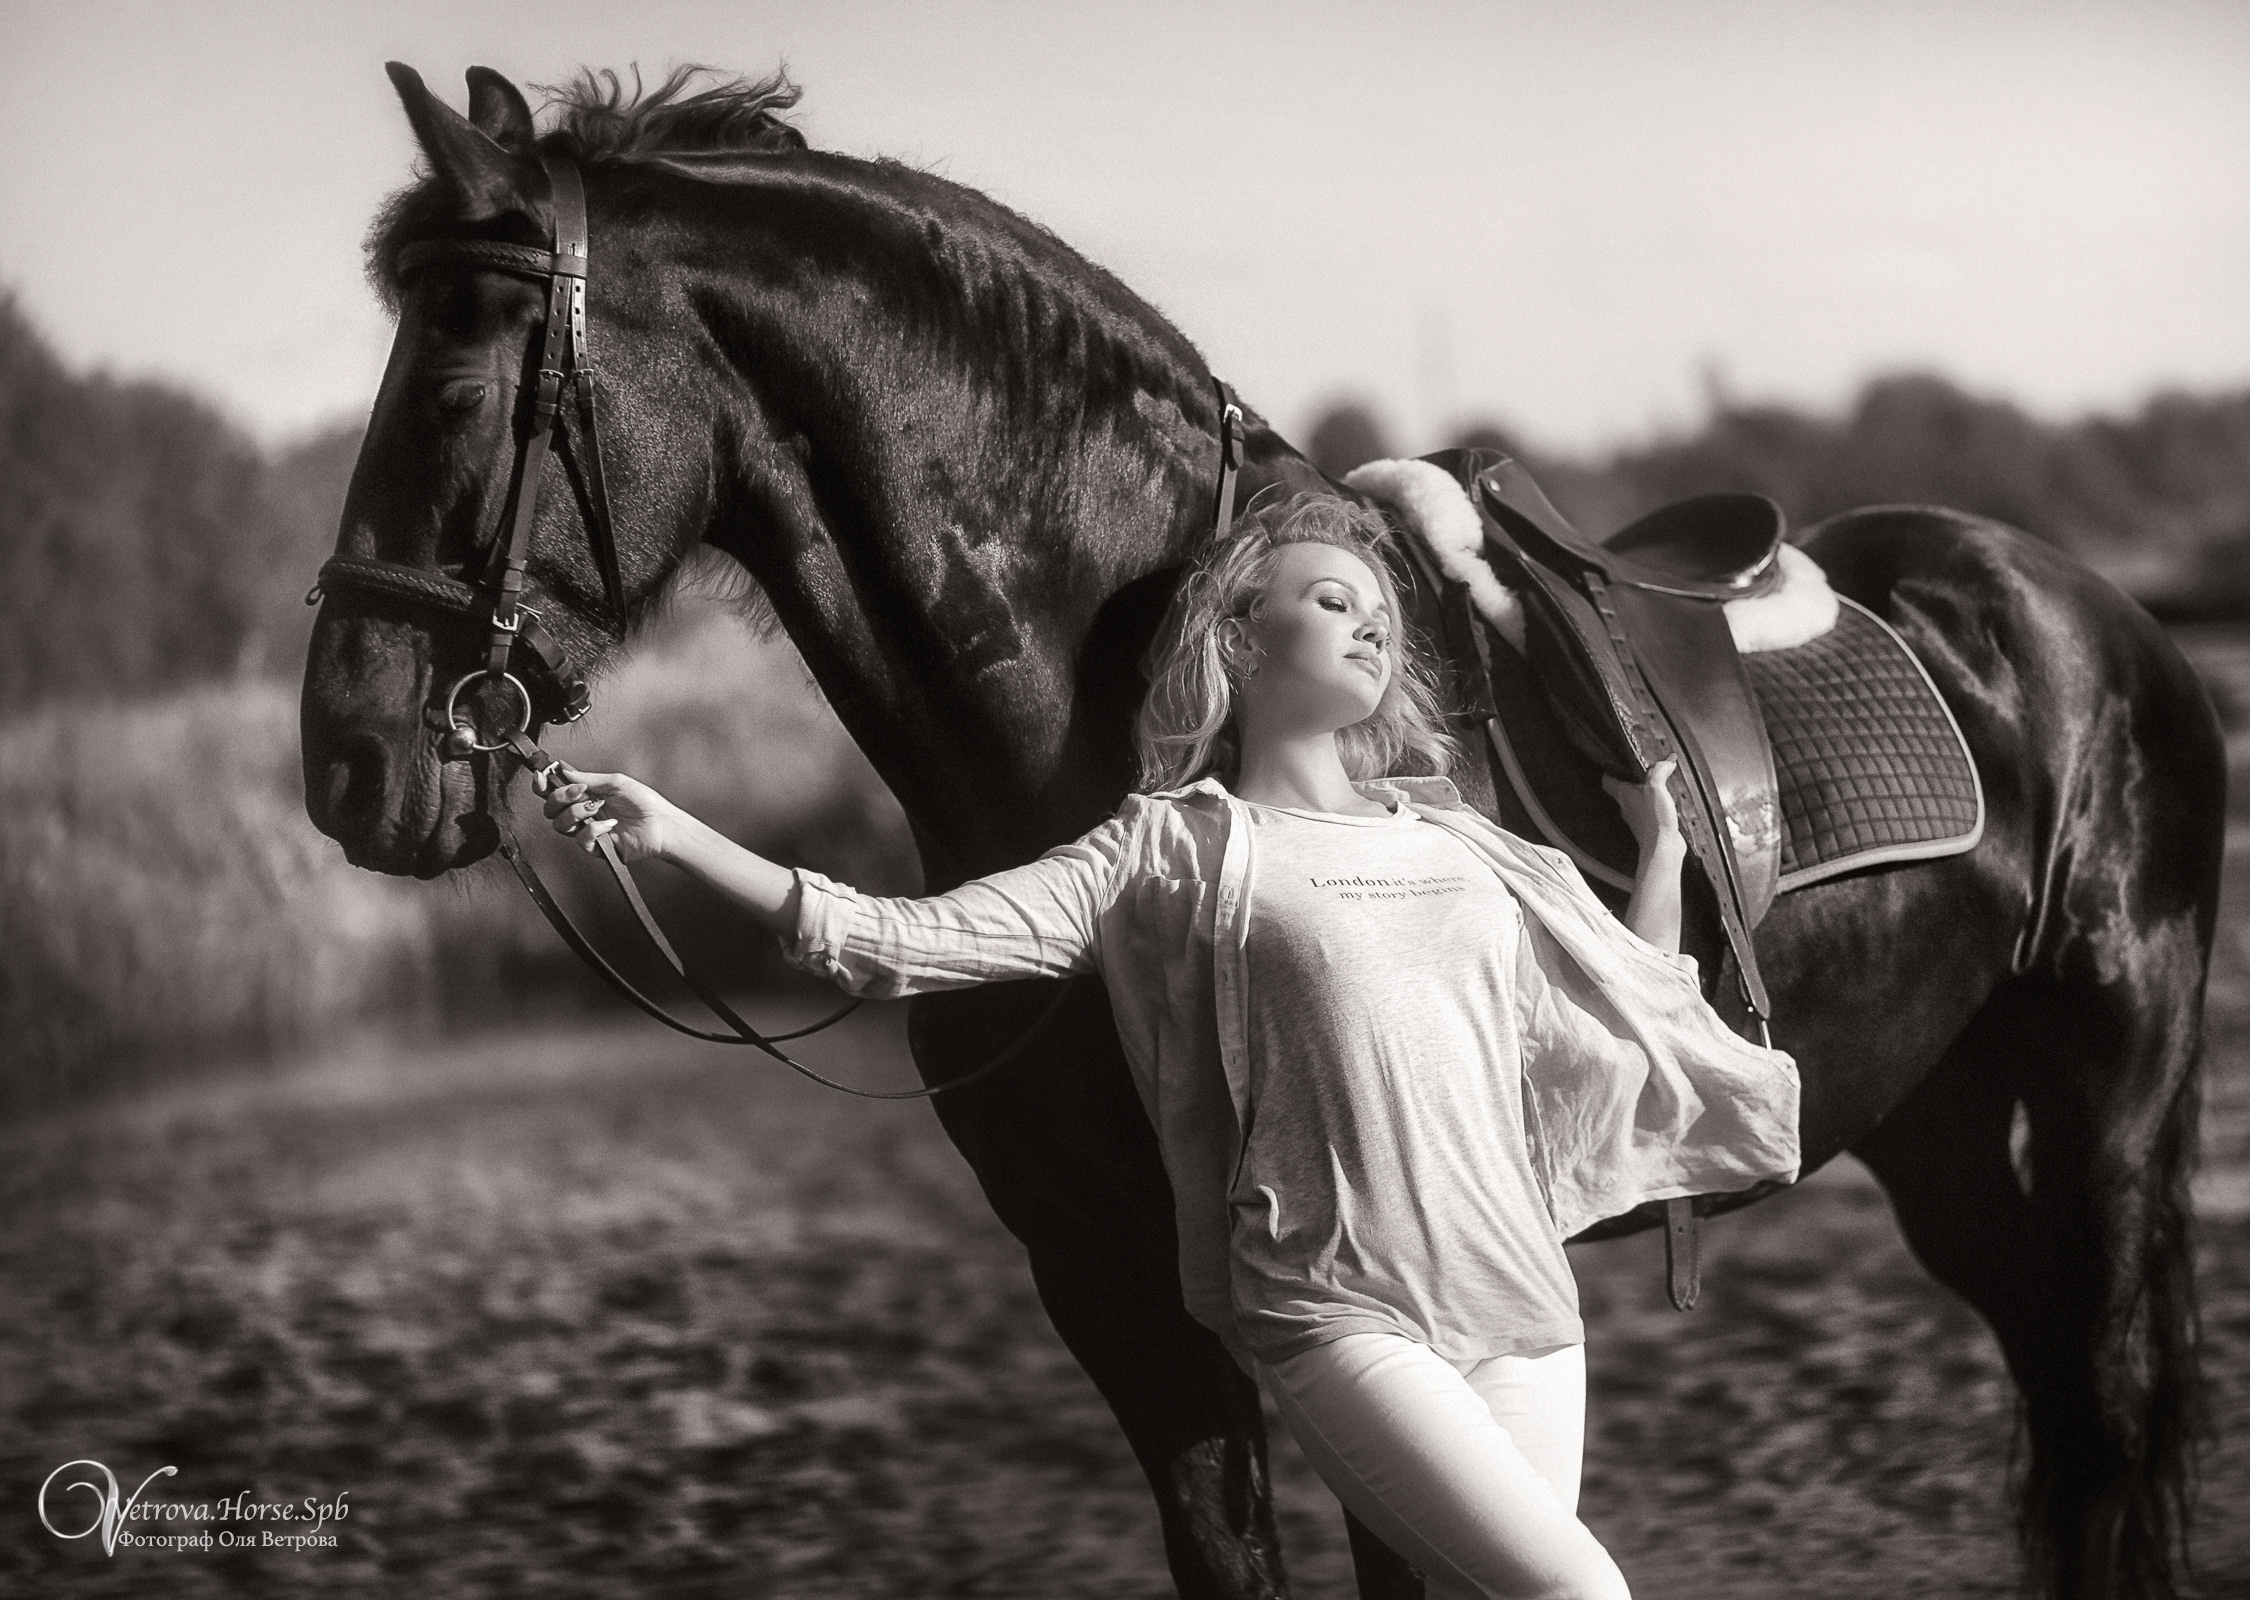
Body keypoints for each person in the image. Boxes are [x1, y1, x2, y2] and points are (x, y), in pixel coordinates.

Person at [536, 492, 1801, 1600]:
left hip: (1528, 1312)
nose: (1373, 624)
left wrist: (1667, 856)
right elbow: (893, 942)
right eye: (1331, 598)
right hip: (1347, 1314)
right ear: (1246, 641)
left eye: (1381, 613)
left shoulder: (1455, 836)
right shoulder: (1167, 851)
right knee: (1582, 1589)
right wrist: (682, 837)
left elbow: (1627, 999)